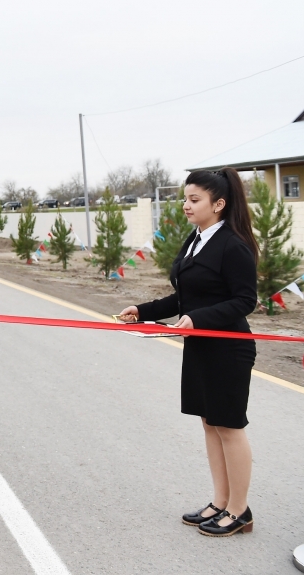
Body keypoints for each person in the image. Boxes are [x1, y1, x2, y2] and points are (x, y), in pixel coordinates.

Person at [118, 167, 258, 537]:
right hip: (201, 347)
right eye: (186, 198)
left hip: (229, 348)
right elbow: (184, 297)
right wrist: (143, 311)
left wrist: (198, 318)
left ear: (219, 203)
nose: (186, 205)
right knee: (210, 424)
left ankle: (240, 510)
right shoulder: (196, 239)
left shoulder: (233, 245)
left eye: (194, 199)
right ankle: (220, 501)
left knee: (229, 427)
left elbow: (245, 300)